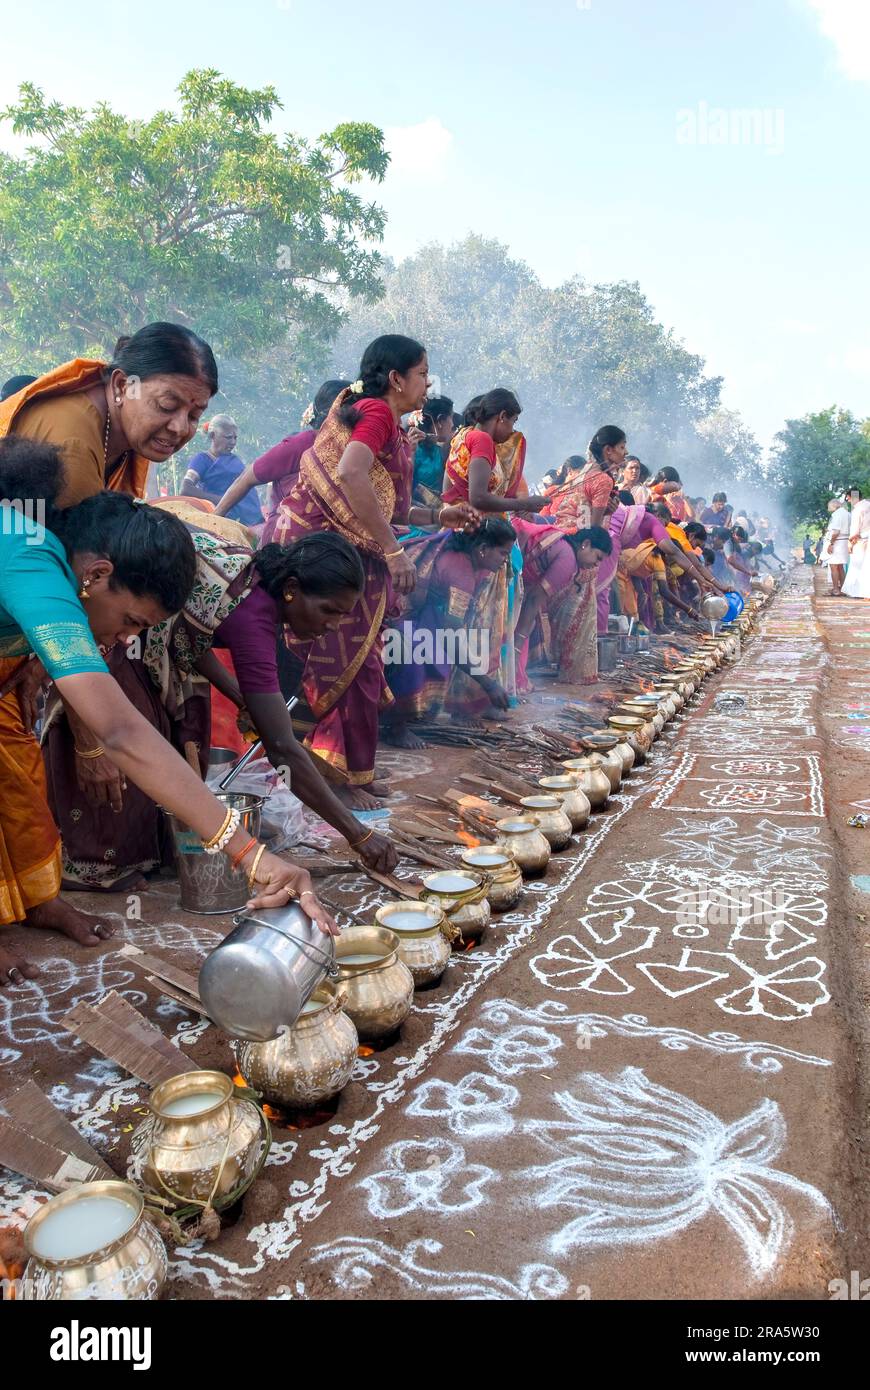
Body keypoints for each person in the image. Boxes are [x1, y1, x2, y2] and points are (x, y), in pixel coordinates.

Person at [0, 437, 336, 986]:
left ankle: (36, 902)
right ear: (97, 574)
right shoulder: (37, 568)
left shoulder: (54, 566)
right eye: (130, 620)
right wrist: (251, 856)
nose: (125, 637)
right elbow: (120, 731)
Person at [43, 509, 401, 886]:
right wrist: (358, 834)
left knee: (185, 728)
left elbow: (193, 638)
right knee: (131, 734)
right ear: (292, 588)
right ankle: (90, 862)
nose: (330, 626)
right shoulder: (254, 617)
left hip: (144, 635)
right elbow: (282, 749)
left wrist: (237, 693)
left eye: (341, 617)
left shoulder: (254, 581)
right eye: (328, 610)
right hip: (115, 632)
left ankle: (150, 848)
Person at [270, 335, 477, 808]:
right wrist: (391, 552)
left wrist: (438, 517)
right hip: (327, 558)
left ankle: (353, 772)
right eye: (422, 373)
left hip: (341, 552)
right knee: (342, 662)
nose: (428, 383)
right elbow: (350, 473)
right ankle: (335, 776)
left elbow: (389, 509)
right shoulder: (380, 413)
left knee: (362, 661)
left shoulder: (391, 424)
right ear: (396, 379)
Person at [0, 323, 219, 505]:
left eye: (194, 416)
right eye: (166, 406)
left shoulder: (115, 423)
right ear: (122, 385)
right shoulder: (72, 447)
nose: (179, 428)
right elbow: (84, 549)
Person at [383, 518, 518, 742]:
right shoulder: (461, 571)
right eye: (503, 553)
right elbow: (451, 638)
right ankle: (395, 726)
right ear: (483, 549)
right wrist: (488, 684)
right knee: (418, 650)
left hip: (414, 612)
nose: (505, 561)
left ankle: (413, 714)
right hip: (395, 617)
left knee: (435, 640)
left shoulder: (469, 561)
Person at [213, 381, 349, 543]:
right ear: (334, 413)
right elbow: (246, 479)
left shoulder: (357, 453)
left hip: (330, 548)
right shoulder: (303, 443)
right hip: (283, 546)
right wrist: (213, 523)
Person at [511, 520, 612, 685]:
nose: (596, 564)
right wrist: (517, 645)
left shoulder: (565, 548)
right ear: (585, 544)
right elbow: (534, 599)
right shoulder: (567, 559)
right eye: (598, 557)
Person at [442, 389, 545, 515]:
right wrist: (526, 504)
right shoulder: (482, 439)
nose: (512, 430)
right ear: (502, 416)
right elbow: (478, 498)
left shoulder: (464, 434)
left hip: (459, 520)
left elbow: (448, 491)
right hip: (474, 525)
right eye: (514, 420)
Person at [182, 415, 263, 529]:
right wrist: (224, 500)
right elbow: (186, 489)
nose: (233, 442)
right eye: (228, 437)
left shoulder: (236, 460)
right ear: (213, 435)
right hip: (222, 521)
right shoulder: (202, 459)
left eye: (235, 438)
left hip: (250, 522)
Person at [407, 394, 454, 506]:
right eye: (451, 417)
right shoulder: (414, 450)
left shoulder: (448, 447)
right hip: (420, 518)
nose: (452, 424)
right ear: (440, 421)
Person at [843, 488, 870, 599]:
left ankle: (859, 592)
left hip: (860, 540)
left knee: (857, 566)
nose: (848, 501)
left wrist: (850, 544)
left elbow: (855, 530)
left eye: (848, 498)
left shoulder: (857, 510)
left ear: (853, 497)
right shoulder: (868, 505)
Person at [825, 494, 852, 596]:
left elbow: (836, 531)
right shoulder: (847, 513)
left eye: (829, 506)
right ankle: (843, 588)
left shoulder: (837, 515)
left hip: (837, 541)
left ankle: (836, 589)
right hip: (844, 541)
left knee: (833, 566)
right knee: (840, 567)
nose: (828, 508)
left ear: (834, 506)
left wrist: (831, 543)